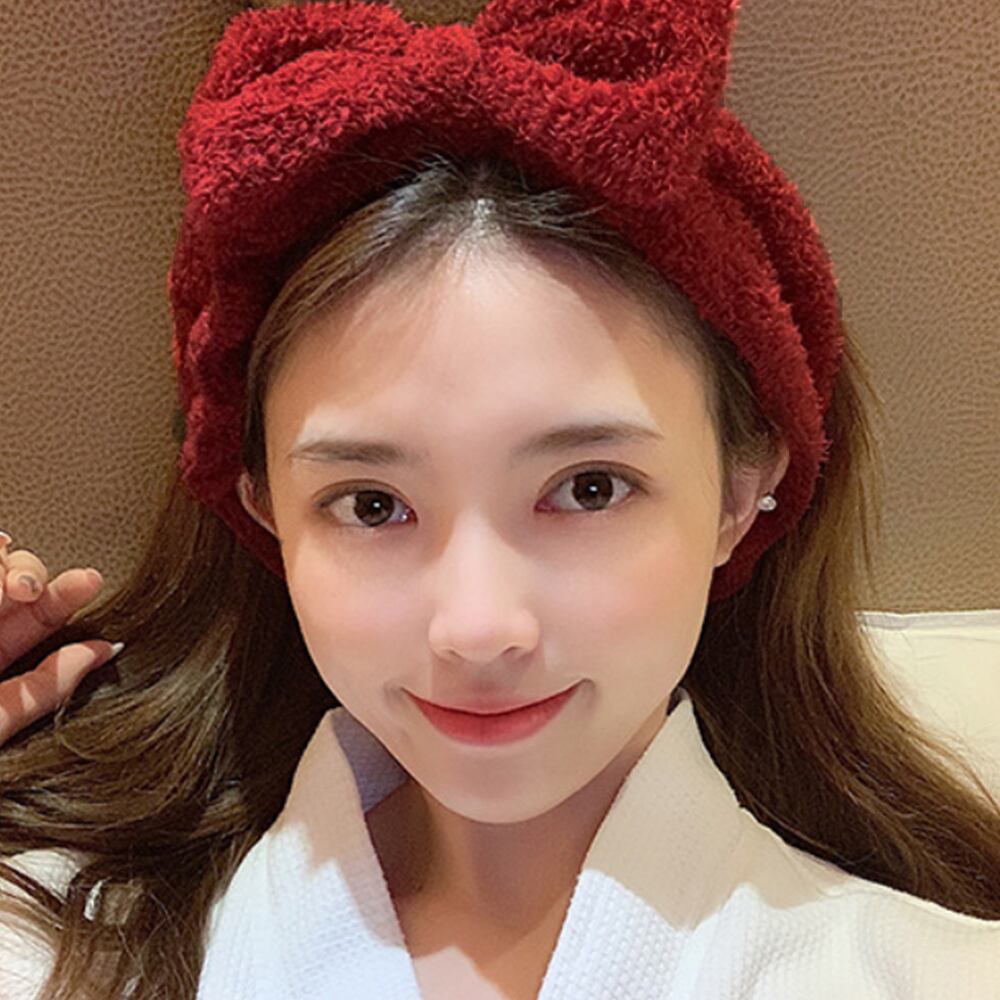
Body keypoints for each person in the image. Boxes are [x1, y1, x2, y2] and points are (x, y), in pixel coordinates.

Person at [2, 2, 999, 998]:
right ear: (264, 506)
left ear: (742, 493)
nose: (477, 630)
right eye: (370, 505)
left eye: (590, 488)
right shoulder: (42, 935)